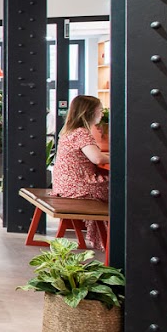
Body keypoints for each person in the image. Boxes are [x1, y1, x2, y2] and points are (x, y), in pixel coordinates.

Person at [51, 95, 110, 250]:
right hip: (79, 187)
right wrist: (118, 157)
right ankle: (117, 238)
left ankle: (107, 238)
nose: (102, 113)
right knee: (123, 191)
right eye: (100, 109)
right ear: (89, 112)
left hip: (65, 187)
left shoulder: (69, 132)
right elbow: (97, 158)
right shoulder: (81, 133)